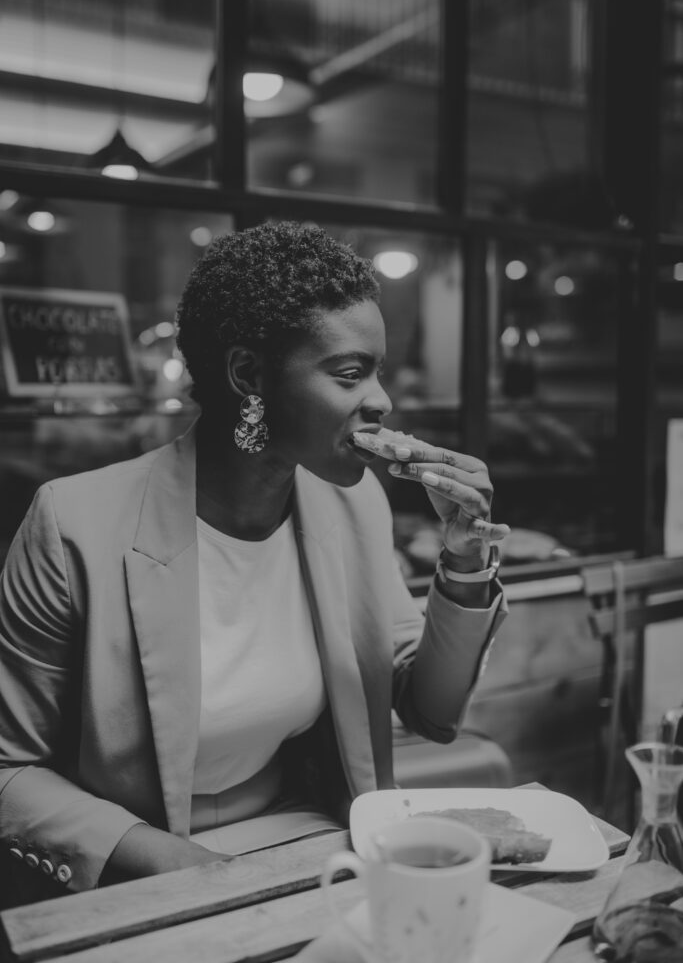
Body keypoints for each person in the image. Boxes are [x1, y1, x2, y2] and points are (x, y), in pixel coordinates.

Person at [0, 221, 509, 903]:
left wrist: (465, 562)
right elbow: (9, 766)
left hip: (312, 848)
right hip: (138, 868)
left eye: (378, 371)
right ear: (249, 375)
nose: (382, 400)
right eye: (350, 372)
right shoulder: (73, 524)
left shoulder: (354, 509)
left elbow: (429, 710)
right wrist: (173, 865)